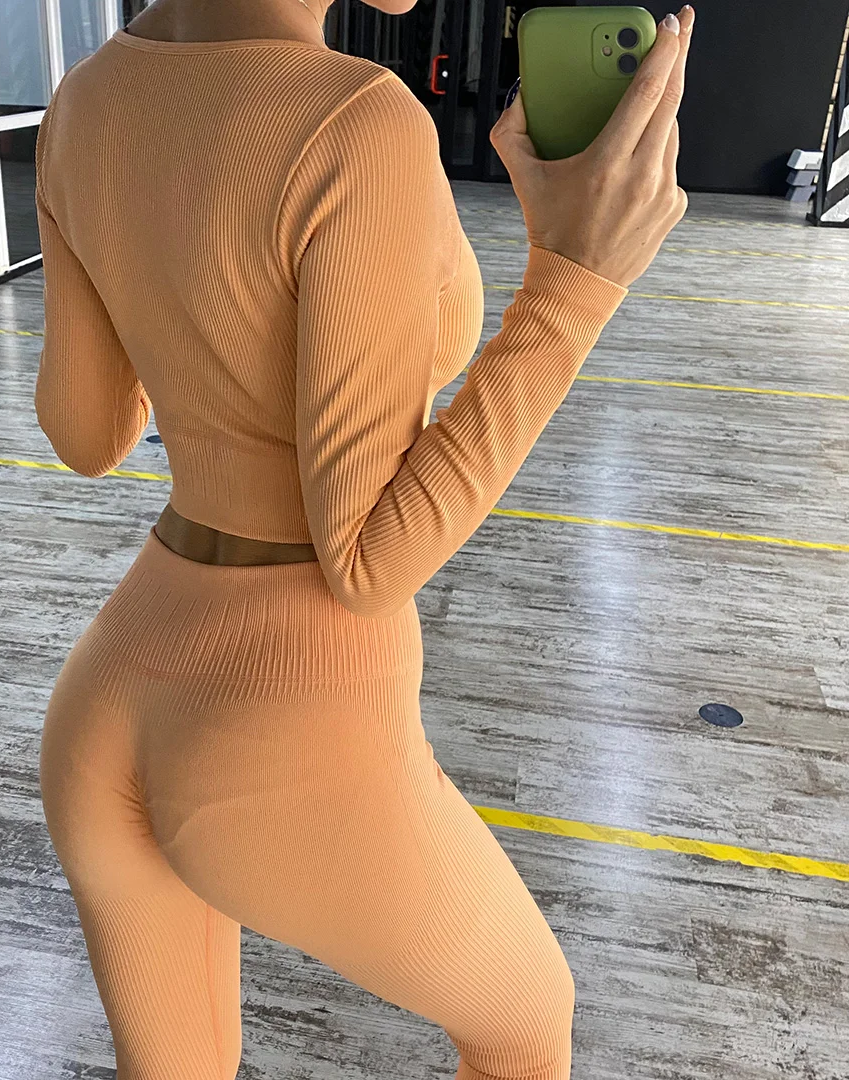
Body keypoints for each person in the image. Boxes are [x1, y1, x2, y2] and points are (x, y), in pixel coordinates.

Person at [34, 2, 695, 1077]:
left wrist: (194, 285)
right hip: (285, 726)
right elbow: (369, 561)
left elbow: (86, 432)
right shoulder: (357, 118)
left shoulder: (85, 98)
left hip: (108, 695)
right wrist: (575, 284)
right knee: (525, 1023)